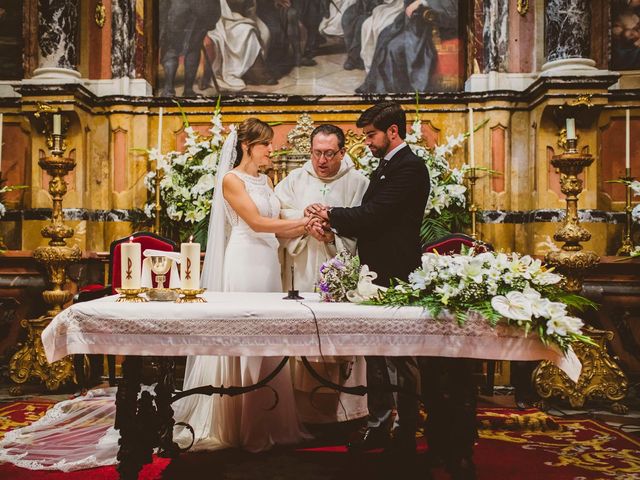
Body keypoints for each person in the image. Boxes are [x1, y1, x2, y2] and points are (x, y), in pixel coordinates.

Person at [175, 118, 313, 452]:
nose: (271, 150)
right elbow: (256, 222)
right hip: (244, 261)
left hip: (267, 263)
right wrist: (301, 220)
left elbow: (279, 230)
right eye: (266, 144)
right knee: (245, 334)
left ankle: (267, 421)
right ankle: (236, 421)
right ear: (247, 146)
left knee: (269, 335)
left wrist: (312, 226)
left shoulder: (266, 181)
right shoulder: (231, 180)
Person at [305, 102, 429, 457]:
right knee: (375, 354)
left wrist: (329, 212)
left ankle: (405, 427)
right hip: (374, 271)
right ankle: (378, 424)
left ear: (393, 131)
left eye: (371, 135)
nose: (367, 142)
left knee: (401, 355)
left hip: (397, 272)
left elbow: (376, 214)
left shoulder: (410, 167)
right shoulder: (386, 165)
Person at [274, 124, 369, 424]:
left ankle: (347, 412)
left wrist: (332, 235)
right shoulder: (294, 179)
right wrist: (305, 220)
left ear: (343, 152)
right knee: (300, 332)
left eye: (329, 154)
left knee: (339, 337)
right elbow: (278, 213)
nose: (322, 161)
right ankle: (301, 414)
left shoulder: (359, 182)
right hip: (301, 267)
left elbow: (368, 224)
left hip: (340, 270)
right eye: (317, 153)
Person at [356, 0, 458, 93]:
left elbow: (454, 8)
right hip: (418, 22)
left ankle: (395, 92)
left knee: (394, 48)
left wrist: (424, 2)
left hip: (437, 27)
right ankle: (381, 88)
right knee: (385, 36)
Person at [159, 0, 221, 97]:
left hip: (180, 9)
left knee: (173, 49)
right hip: (200, 10)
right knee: (192, 49)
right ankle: (187, 90)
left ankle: (171, 89)